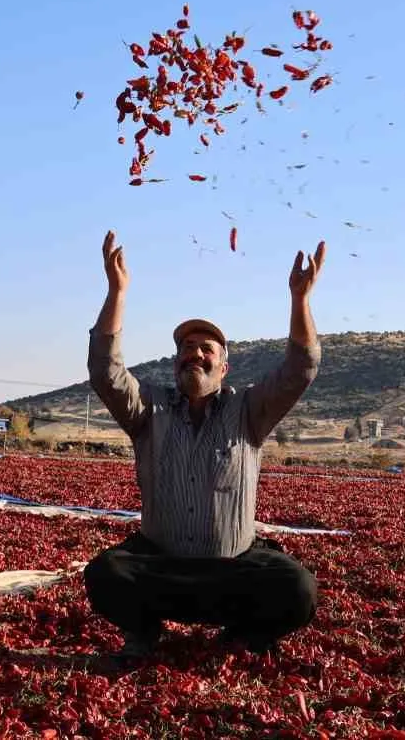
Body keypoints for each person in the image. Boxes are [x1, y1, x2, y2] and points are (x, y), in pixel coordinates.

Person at [83, 229, 327, 659]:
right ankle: (145, 629)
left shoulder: (249, 412)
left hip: (232, 571)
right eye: (187, 348)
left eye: (206, 349)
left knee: (297, 588)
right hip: (162, 567)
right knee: (105, 574)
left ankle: (242, 632)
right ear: (176, 361)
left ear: (224, 366)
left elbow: (300, 369)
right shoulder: (149, 411)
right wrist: (117, 291)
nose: (195, 354)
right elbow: (105, 371)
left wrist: (300, 300)